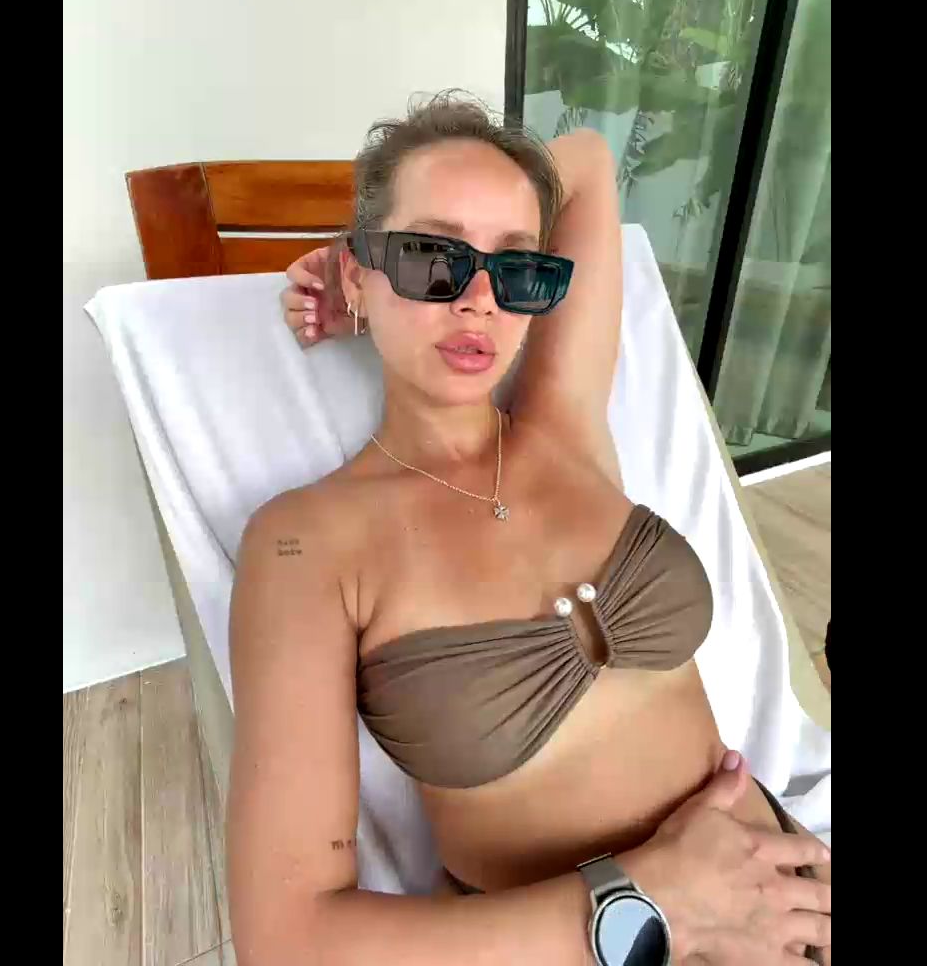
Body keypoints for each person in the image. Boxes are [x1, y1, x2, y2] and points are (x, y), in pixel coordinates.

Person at [227, 93, 831, 965]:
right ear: (357, 279)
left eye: (514, 266)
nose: (480, 300)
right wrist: (652, 900)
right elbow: (284, 940)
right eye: (433, 258)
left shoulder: (562, 431)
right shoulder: (304, 543)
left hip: (796, 892)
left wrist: (388, 261)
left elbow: (586, 162)